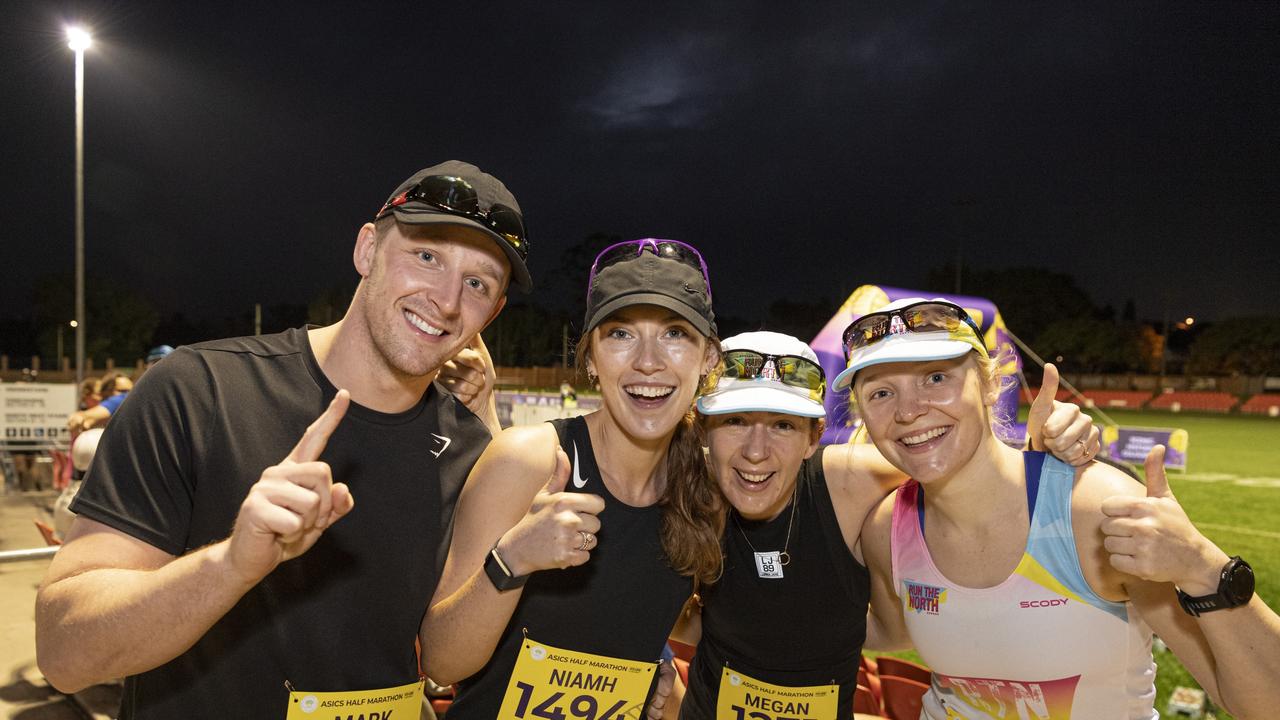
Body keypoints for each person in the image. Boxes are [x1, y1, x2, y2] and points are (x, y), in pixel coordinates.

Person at [35, 160, 531, 719]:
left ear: (493, 310)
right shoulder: (202, 392)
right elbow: (63, 653)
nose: (445, 300)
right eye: (426, 256)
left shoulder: (470, 451)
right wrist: (231, 566)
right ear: (367, 250)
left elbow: (445, 657)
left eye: (476, 283)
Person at [851, 298, 1280, 719]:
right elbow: (896, 629)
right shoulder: (886, 527)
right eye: (881, 392)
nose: (908, 411)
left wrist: (1203, 567)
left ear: (988, 384)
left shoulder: (1097, 510)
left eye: (936, 377)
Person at [674, 331, 1098, 719]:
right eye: (735, 421)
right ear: (704, 431)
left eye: (783, 425)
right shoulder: (686, 494)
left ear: (813, 437)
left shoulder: (848, 482)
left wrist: (1040, 452)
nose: (755, 452)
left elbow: (961, 458)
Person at [421, 238, 722, 719]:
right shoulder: (529, 460)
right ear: (589, 361)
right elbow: (442, 660)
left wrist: (656, 670)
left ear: (708, 359)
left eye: (676, 334)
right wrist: (514, 558)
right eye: (621, 334)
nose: (649, 361)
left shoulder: (704, 492)